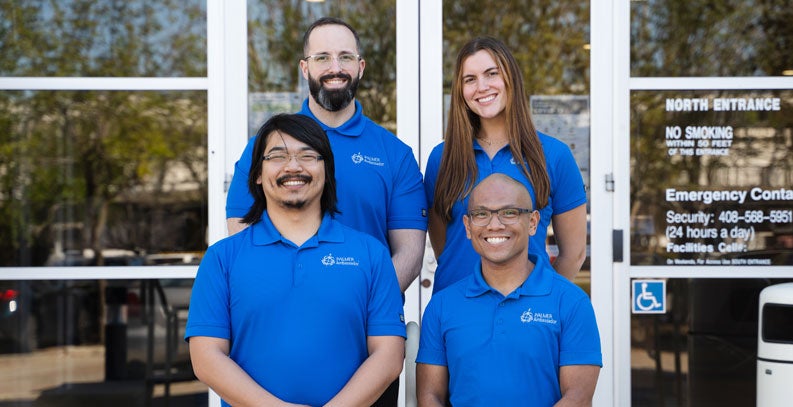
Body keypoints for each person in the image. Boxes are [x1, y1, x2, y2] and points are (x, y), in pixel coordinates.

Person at [186, 114, 406, 407]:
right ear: (257, 174)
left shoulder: (371, 254)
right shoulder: (222, 259)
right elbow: (206, 358)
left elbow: (389, 356)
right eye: (277, 156)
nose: (293, 166)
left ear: (326, 170)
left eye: (308, 155)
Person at [226, 17, 427, 294]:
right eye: (322, 58)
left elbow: (410, 253)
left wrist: (365, 307)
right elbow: (241, 237)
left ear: (361, 67)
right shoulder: (265, 147)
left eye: (345, 57)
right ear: (304, 68)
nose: (335, 68)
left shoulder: (395, 154)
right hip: (284, 315)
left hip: (367, 324)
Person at [416, 173, 601, 406]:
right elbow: (429, 397)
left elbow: (577, 398)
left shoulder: (571, 303)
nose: (495, 225)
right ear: (468, 226)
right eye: (481, 214)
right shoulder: (442, 305)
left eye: (509, 212)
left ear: (533, 222)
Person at [424, 36, 587, 294]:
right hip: (456, 312)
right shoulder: (442, 158)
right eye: (470, 79)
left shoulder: (554, 155)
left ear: (510, 78)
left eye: (492, 74)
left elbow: (574, 253)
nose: (482, 87)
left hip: (529, 319)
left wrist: (542, 303)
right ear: (460, 90)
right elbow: (445, 246)